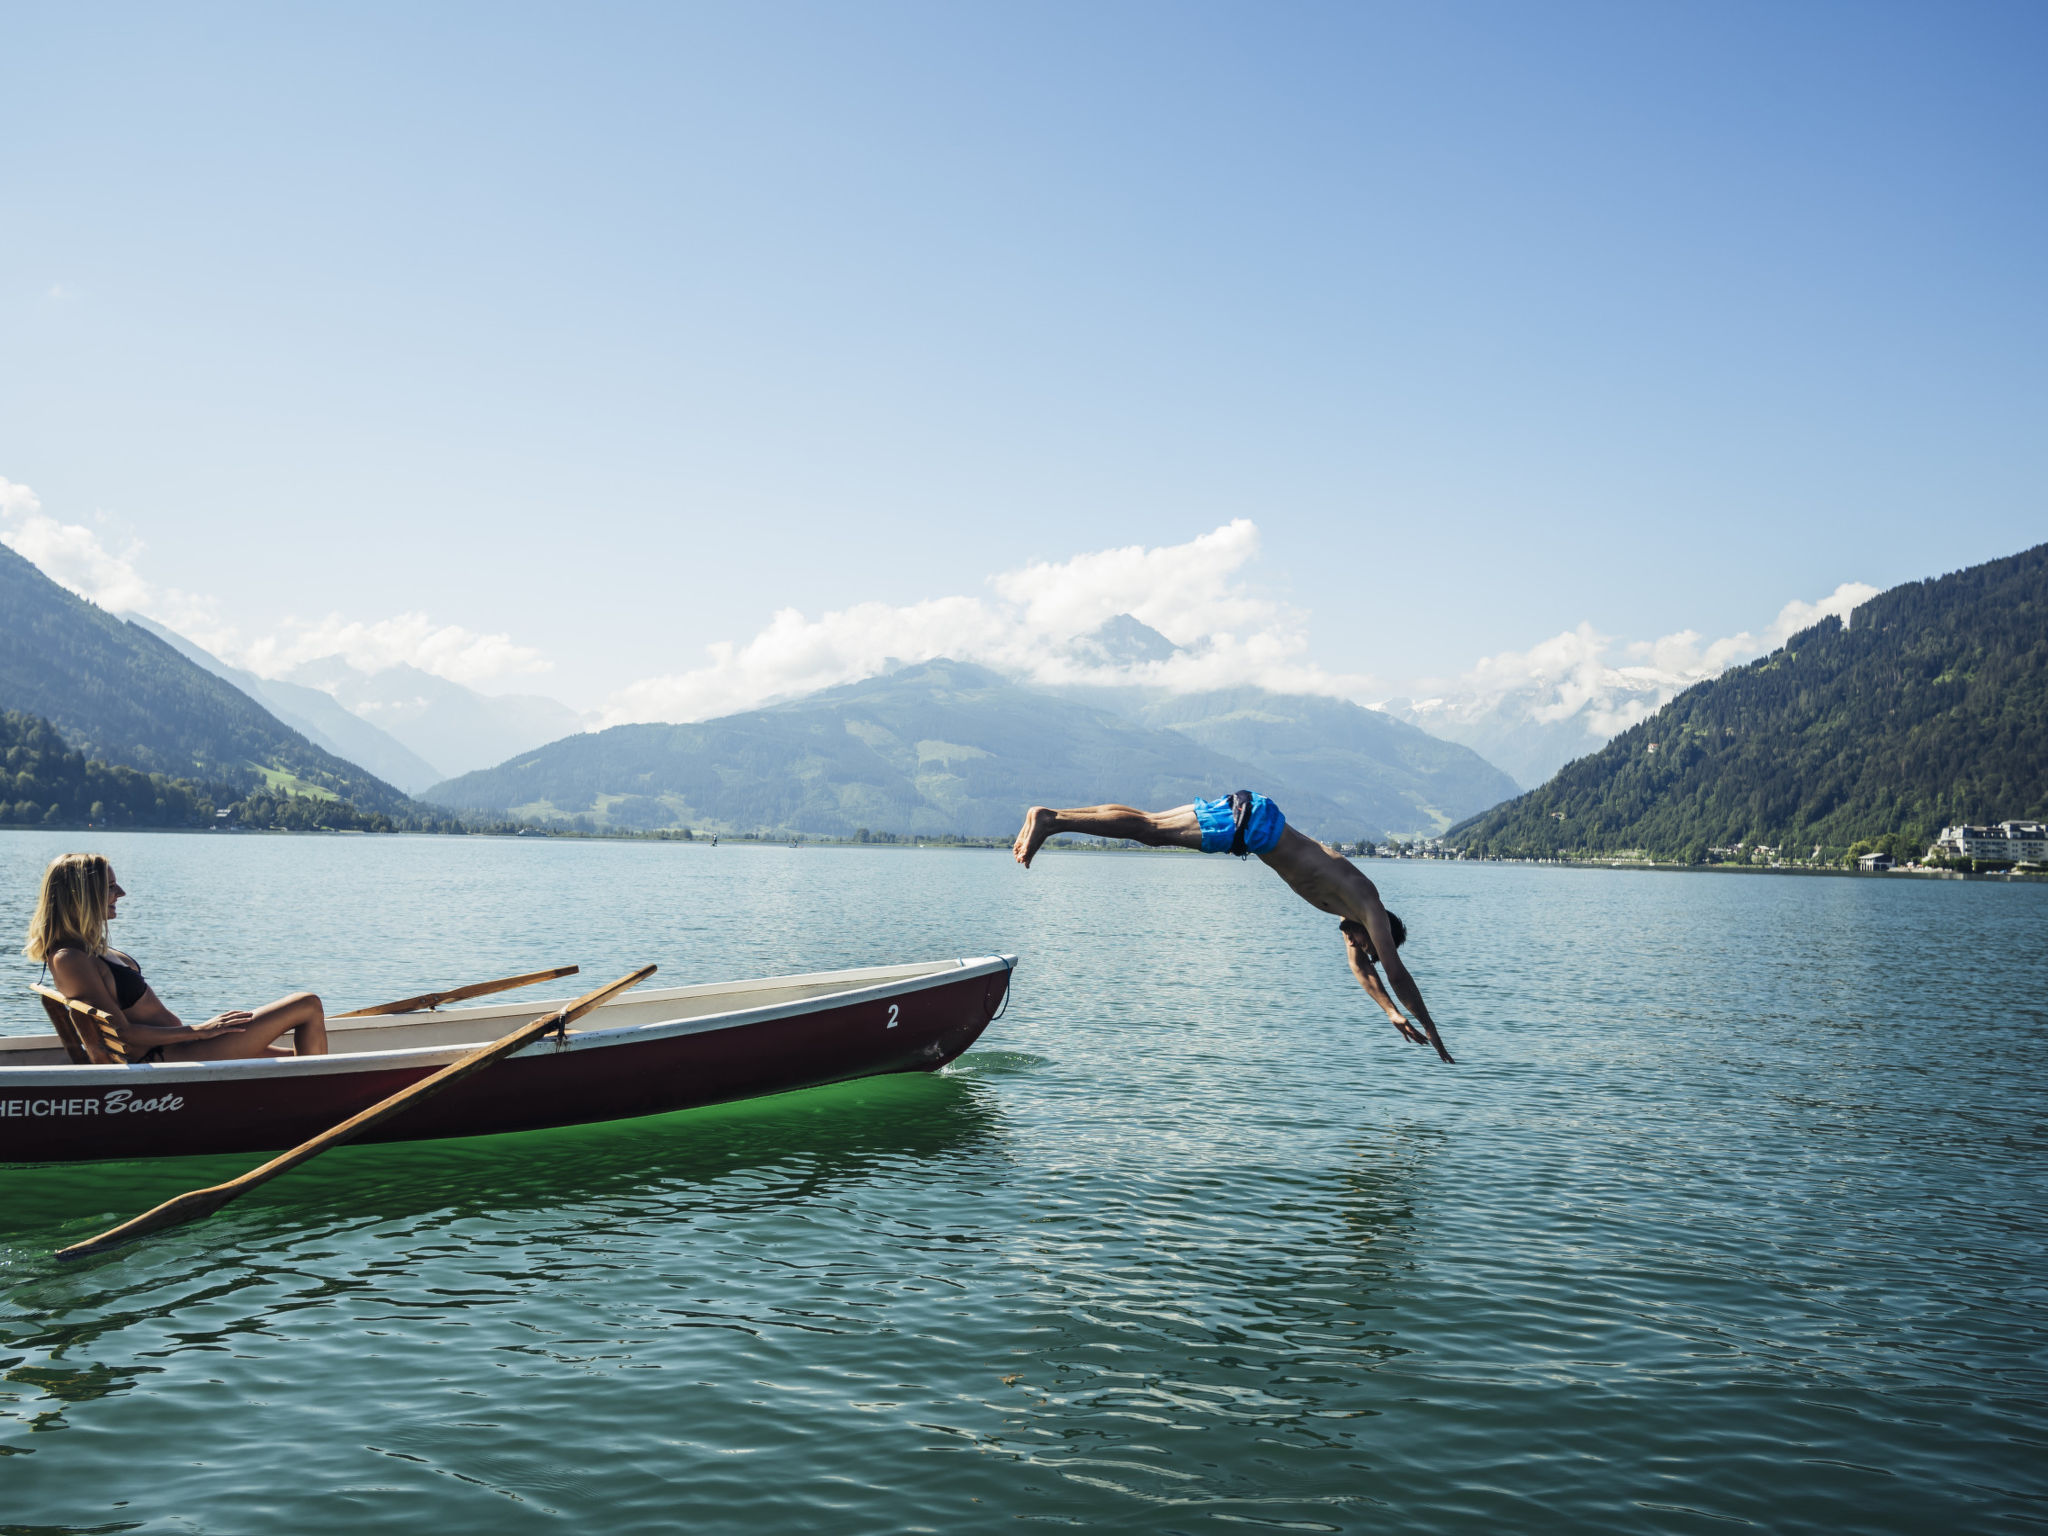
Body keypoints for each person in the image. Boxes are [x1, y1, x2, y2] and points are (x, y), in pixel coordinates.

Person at [1012, 792, 1454, 1063]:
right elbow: (1393, 973)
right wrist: (1433, 1031)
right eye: (1371, 945)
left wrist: (1391, 1013)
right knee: (1149, 830)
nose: (1358, 946)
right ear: (1381, 933)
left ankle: (1053, 817)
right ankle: (1052, 820)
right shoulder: (1368, 904)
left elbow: (1364, 972)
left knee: (1149, 824)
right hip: (1252, 827)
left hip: (1253, 815)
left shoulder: (1347, 913)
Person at [24, 852, 328, 1062]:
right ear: (82, 895)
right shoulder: (71, 958)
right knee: (307, 1004)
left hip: (183, 1045)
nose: (122, 893)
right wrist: (199, 1031)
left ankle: (316, 1091)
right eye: (111, 887)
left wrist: (199, 1033)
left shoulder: (88, 949)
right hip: (173, 1055)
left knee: (297, 1058)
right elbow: (123, 1034)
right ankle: (320, 1104)